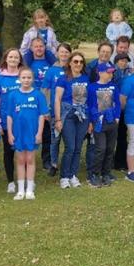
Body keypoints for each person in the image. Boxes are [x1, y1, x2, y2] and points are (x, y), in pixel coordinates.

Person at [7, 68, 47, 200]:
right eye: (23, 77)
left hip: (32, 132)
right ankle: (20, 190)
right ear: (19, 79)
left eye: (29, 77)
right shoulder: (13, 95)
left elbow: (42, 115)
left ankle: (29, 189)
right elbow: (9, 116)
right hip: (18, 132)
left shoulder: (38, 95)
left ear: (33, 79)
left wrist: (39, 133)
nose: (26, 80)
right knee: (20, 160)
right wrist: (10, 134)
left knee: (30, 159)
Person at [54, 52, 90, 189]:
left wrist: (90, 121)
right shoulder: (63, 79)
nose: (78, 64)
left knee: (78, 147)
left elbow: (90, 99)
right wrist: (58, 119)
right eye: (75, 61)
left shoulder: (86, 79)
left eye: (81, 62)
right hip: (68, 115)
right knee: (70, 147)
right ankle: (64, 176)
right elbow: (57, 99)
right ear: (70, 63)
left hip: (82, 116)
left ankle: (73, 175)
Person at [0, 48, 23, 192]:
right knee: (9, 152)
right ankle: (11, 182)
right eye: (11, 57)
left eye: (16, 57)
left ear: (20, 60)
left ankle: (24, 179)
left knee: (23, 151)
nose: (13, 59)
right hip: (5, 123)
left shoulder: (24, 76)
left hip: (23, 122)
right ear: (6, 59)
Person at [87, 62, 121, 187]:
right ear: (100, 73)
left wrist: (117, 117)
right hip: (99, 123)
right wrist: (92, 121)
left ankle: (106, 173)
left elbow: (117, 103)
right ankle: (95, 174)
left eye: (112, 72)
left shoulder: (114, 86)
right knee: (100, 148)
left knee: (110, 148)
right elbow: (90, 105)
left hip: (112, 121)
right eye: (108, 72)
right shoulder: (92, 87)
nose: (111, 74)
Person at [23, 37, 54, 171]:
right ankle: (27, 159)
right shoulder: (28, 64)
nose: (39, 48)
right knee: (29, 131)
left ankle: (46, 160)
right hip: (31, 101)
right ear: (31, 48)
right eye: (36, 46)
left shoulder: (50, 63)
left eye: (41, 46)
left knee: (47, 134)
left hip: (47, 100)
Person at [41, 42, 72, 176]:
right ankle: (53, 164)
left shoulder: (73, 68)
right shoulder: (51, 70)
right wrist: (46, 109)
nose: (64, 54)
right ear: (57, 53)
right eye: (62, 52)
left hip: (70, 111)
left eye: (66, 52)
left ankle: (68, 163)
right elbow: (45, 90)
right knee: (55, 139)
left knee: (69, 139)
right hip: (56, 110)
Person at [113, 52, 133, 172]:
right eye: (121, 61)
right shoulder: (112, 72)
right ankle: (111, 160)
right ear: (116, 61)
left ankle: (121, 161)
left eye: (125, 61)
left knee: (122, 136)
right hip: (113, 107)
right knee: (111, 136)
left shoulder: (129, 73)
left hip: (124, 108)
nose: (124, 63)